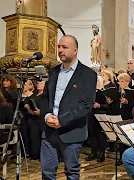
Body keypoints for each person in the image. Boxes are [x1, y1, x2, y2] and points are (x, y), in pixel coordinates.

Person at [40, 35, 97, 179]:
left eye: (64, 47)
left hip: (72, 130)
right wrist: (47, 116)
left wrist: (62, 120)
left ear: (75, 51)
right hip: (49, 130)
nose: (60, 50)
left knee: (71, 172)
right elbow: (45, 97)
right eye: (59, 47)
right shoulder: (53, 71)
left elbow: (86, 104)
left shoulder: (88, 74)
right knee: (47, 172)